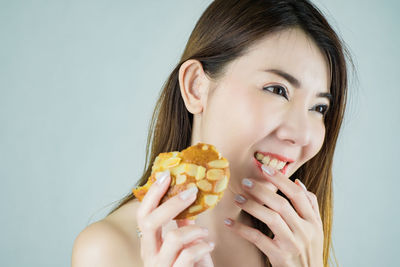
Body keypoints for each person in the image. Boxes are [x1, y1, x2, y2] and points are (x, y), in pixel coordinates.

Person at [72, 0, 352, 266]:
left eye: (319, 107)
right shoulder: (108, 249)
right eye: (277, 90)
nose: (302, 135)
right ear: (196, 87)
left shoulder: (298, 247)